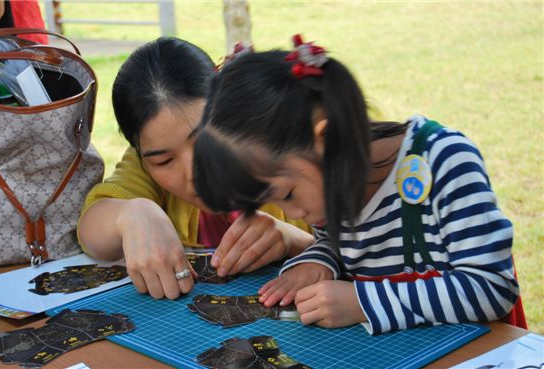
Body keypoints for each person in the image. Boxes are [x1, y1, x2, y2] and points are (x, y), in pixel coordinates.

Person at [192, 35, 522, 334]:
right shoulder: (331, 179)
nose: (295, 213)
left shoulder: (443, 161)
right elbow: (341, 245)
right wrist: (317, 261)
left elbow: (491, 288)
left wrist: (362, 302)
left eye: (288, 195)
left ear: (328, 138)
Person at [78, 37, 313, 301]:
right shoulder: (142, 171)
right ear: (142, 156)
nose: (195, 172)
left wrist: (293, 241)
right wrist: (131, 214)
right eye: (164, 161)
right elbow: (92, 232)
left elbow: (361, 251)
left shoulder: (288, 148)